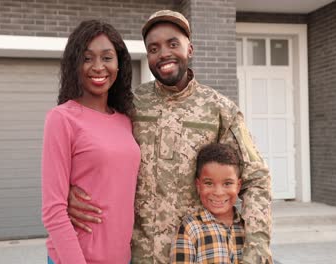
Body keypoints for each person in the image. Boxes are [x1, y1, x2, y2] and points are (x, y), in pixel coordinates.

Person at [68, 10, 273, 264]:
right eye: (154, 48)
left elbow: (256, 180)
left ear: (190, 49)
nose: (163, 53)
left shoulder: (220, 110)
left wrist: (255, 252)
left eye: (173, 43)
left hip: (198, 253)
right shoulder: (129, 104)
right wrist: (69, 191)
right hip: (134, 255)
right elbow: (89, 152)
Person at [41, 20, 140, 264]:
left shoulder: (125, 120)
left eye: (107, 57)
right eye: (87, 58)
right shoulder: (61, 118)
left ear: (119, 64)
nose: (98, 67)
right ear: (75, 64)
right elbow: (53, 209)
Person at [170, 143, 245, 263]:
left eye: (227, 183)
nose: (218, 192)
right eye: (209, 183)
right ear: (198, 185)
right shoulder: (190, 229)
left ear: (238, 185)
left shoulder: (248, 226)